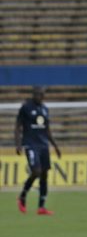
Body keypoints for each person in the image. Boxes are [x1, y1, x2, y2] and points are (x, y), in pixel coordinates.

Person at [15, 86, 61, 215]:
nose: (41, 96)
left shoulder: (45, 109)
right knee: (36, 171)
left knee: (45, 174)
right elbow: (18, 126)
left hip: (43, 145)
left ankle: (41, 207)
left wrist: (55, 146)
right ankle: (22, 196)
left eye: (42, 94)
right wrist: (18, 144)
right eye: (38, 94)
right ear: (34, 94)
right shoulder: (26, 107)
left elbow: (47, 129)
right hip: (30, 144)